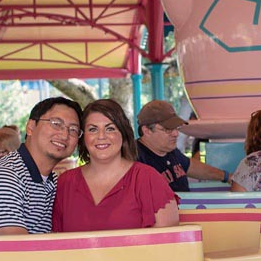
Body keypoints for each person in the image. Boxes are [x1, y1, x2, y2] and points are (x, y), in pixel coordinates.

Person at [0, 97, 82, 235]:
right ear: (30, 127)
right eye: (56, 123)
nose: (64, 135)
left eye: (73, 130)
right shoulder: (2, 176)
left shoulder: (51, 180)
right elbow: (16, 248)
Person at [52, 99, 178, 233]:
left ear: (123, 134)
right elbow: (55, 242)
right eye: (93, 129)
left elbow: (168, 245)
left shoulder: (148, 179)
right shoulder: (65, 183)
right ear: (83, 137)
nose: (101, 136)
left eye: (110, 128)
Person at [135, 100, 228, 190]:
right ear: (147, 131)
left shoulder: (170, 151)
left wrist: (226, 176)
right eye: (168, 129)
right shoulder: (134, 158)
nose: (176, 133)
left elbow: (192, 167)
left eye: (176, 128)